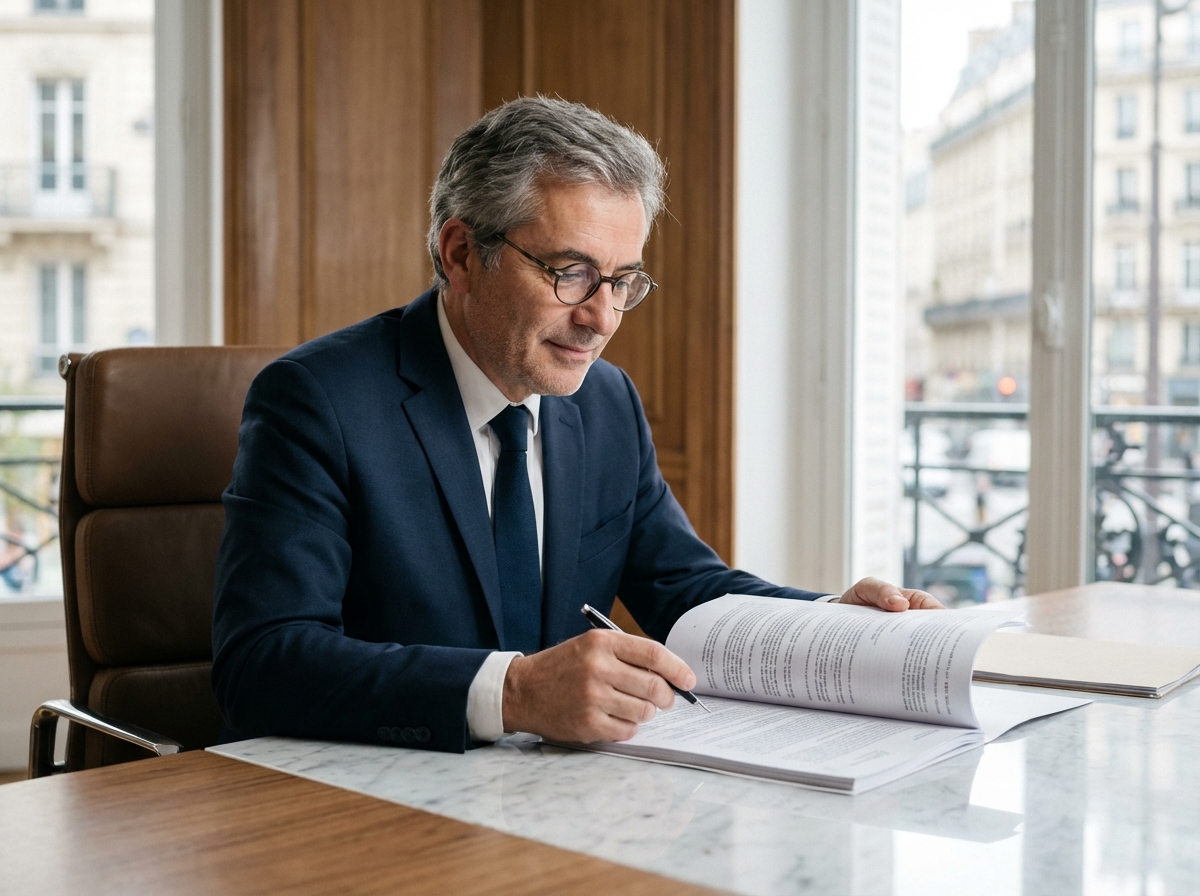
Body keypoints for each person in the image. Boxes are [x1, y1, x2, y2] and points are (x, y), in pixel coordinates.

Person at [211, 97, 940, 754]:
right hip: (367, 809)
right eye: (570, 272)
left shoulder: (606, 402)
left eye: (623, 281)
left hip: (556, 802)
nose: (600, 318)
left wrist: (832, 622)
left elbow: (686, 590)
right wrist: (517, 694)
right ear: (461, 254)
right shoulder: (317, 401)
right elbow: (263, 662)